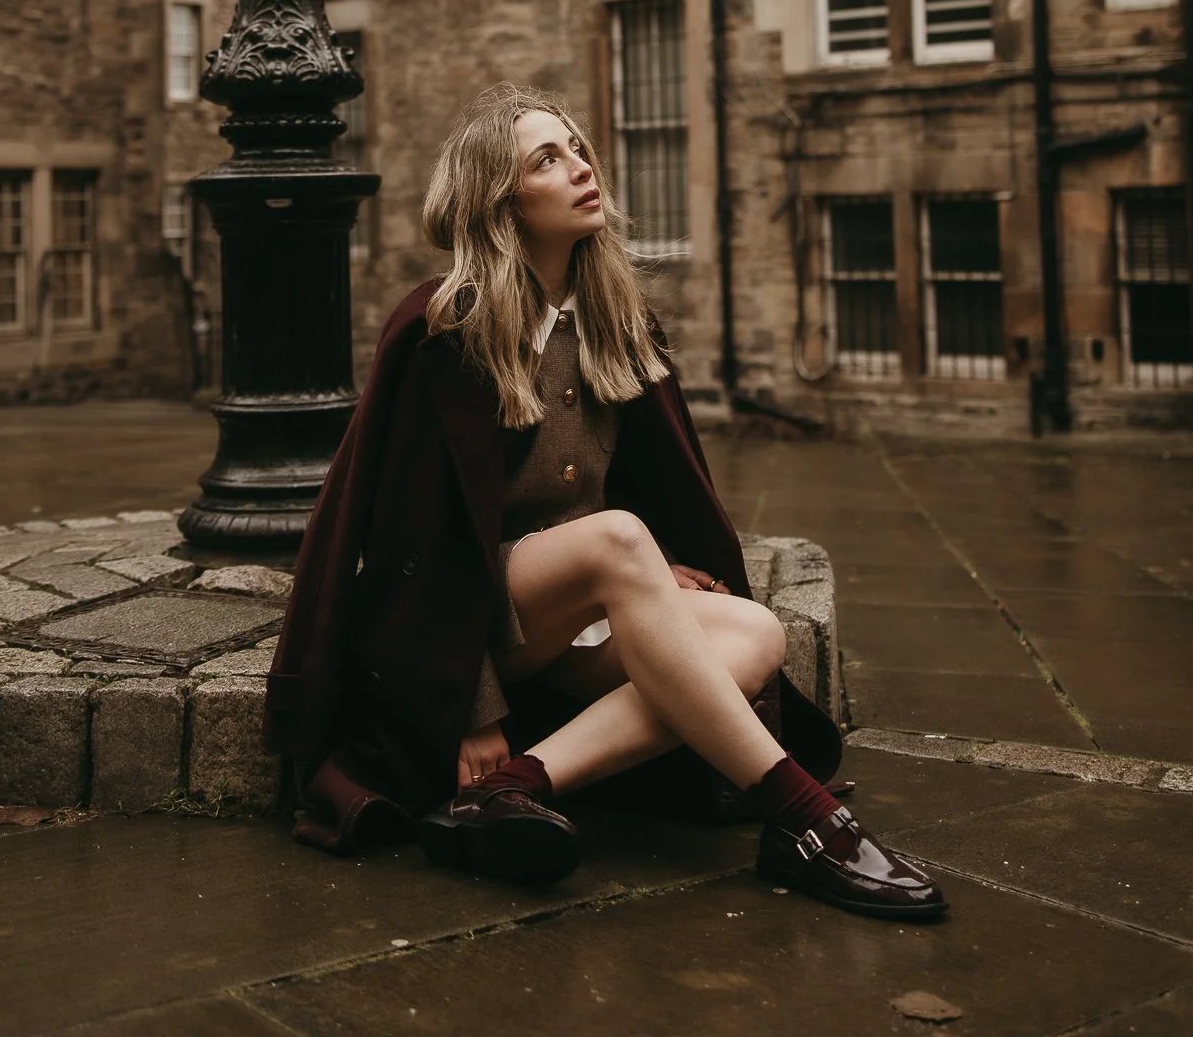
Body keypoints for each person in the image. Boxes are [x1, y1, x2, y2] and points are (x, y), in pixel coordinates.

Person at [264, 86, 947, 922]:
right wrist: (473, 704)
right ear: (499, 199)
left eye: (578, 148)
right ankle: (807, 820)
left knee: (756, 633)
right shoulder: (448, 325)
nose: (582, 167)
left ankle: (520, 785)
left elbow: (631, 485)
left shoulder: (611, 318)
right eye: (546, 159)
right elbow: (415, 538)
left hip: (567, 622)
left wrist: (657, 581)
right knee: (621, 541)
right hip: (456, 632)